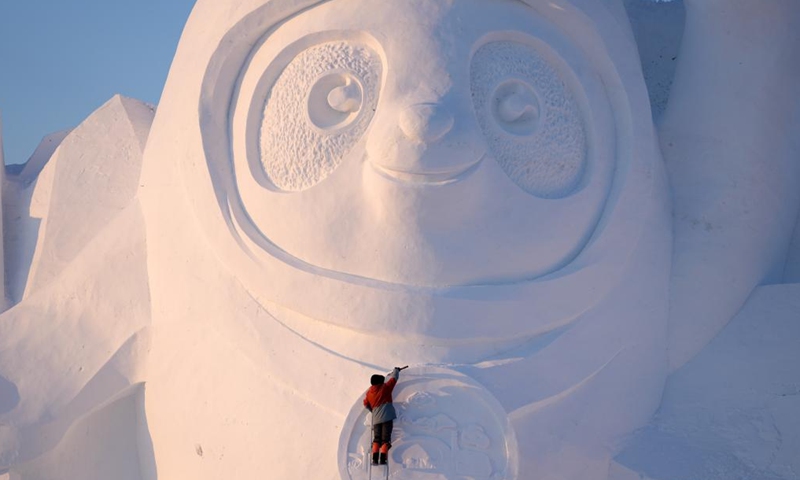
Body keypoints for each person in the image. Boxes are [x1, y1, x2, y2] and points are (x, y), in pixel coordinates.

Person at [363, 367, 402, 465]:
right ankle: (383, 459)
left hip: (376, 419)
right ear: (380, 382)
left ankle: (375, 459)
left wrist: (373, 410)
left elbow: (365, 404)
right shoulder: (385, 388)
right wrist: (396, 370)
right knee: (385, 439)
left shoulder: (369, 393)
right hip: (387, 417)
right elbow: (393, 379)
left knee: (377, 439)